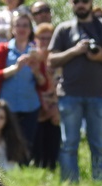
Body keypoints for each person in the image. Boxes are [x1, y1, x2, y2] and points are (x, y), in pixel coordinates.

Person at [48, 0, 102, 186]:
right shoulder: (64, 29)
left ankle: (101, 185)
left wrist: (101, 57)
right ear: (71, 4)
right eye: (76, 1)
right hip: (69, 95)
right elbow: (51, 60)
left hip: (98, 95)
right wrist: (75, 51)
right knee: (69, 144)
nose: (80, 5)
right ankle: (70, 184)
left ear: (91, 3)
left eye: (84, 1)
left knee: (98, 145)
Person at [0, 10, 47, 159]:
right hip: (6, 109)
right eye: (18, 25)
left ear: (30, 29)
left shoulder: (35, 52)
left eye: (25, 25)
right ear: (12, 28)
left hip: (30, 106)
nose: (21, 29)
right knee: (6, 145)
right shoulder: (3, 49)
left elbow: (44, 84)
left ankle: (24, 175)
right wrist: (15, 68)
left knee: (26, 146)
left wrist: (36, 71)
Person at [32, 21, 60, 169]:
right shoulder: (31, 58)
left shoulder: (58, 61)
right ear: (35, 39)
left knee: (52, 147)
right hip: (35, 108)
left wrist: (56, 107)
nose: (45, 42)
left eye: (48, 38)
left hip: (54, 109)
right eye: (41, 38)